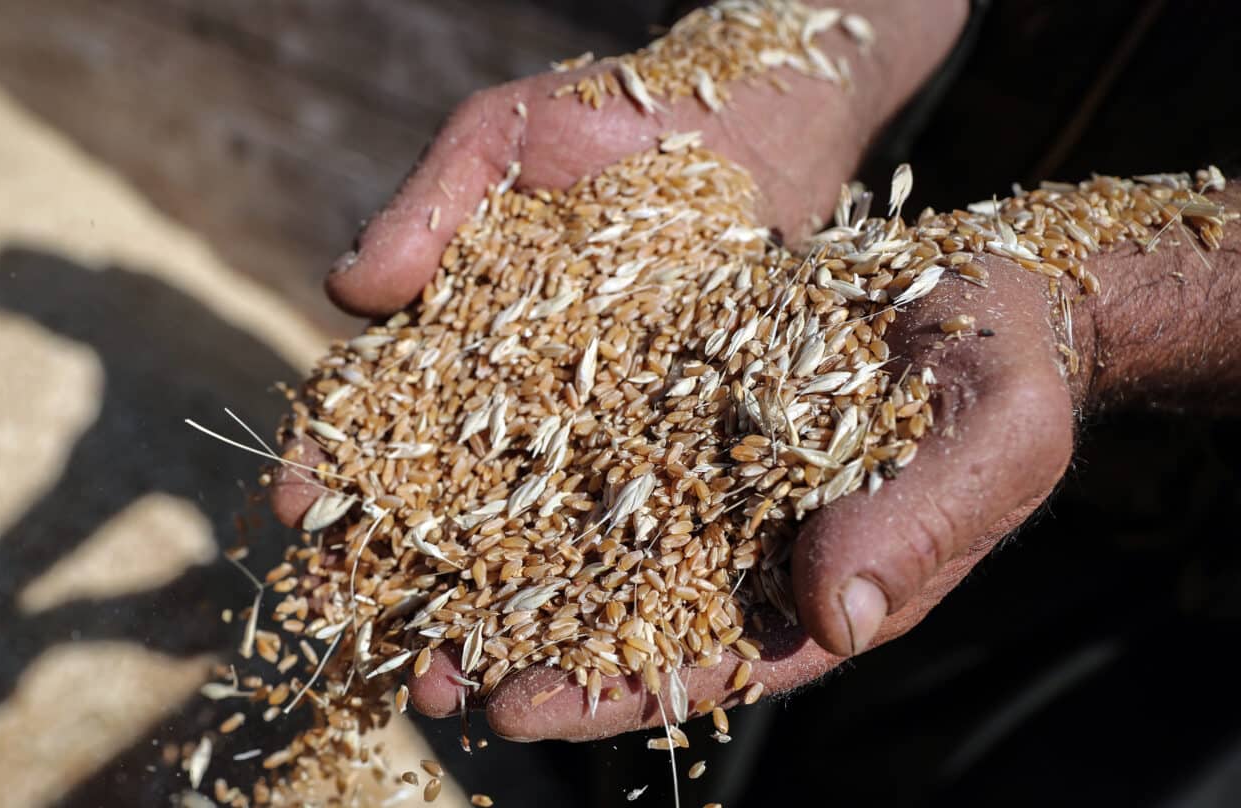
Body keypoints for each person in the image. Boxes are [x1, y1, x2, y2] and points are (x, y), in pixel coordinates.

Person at [269, 0, 1241, 797]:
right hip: (850, 259)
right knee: (611, 728)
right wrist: (811, 35)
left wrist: (1092, 299)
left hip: (1169, 585)